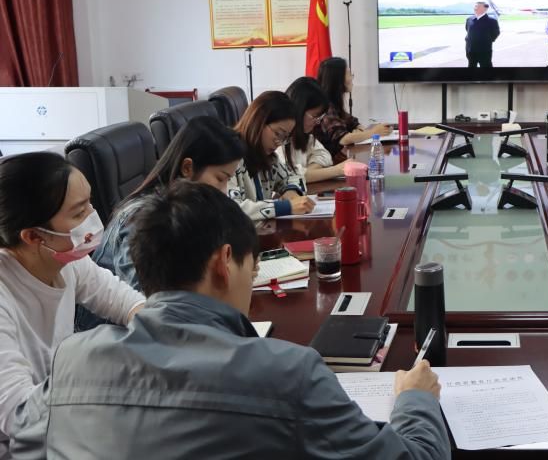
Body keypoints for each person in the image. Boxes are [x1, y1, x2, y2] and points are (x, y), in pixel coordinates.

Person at [37, 182, 450, 459]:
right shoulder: (287, 374)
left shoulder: (71, 360)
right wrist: (416, 399)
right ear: (224, 262)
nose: (251, 284)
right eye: (252, 271)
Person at [0, 152, 145, 458]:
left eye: (89, 203)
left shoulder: (65, 262)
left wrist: (165, 327)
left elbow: (125, 302)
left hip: (60, 418)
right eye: (79, 213)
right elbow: (18, 414)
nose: (93, 216)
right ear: (33, 236)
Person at [75, 116, 244, 331]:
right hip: (112, 334)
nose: (224, 190)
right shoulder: (141, 218)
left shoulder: (185, 207)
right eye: (220, 178)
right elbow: (149, 299)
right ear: (187, 168)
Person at [229, 91, 313, 220]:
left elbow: (293, 176)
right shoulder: (228, 156)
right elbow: (231, 209)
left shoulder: (268, 158)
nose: (279, 143)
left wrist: (290, 191)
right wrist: (285, 207)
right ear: (258, 121)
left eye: (285, 138)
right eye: (278, 134)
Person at [315, 57, 392, 161]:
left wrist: (359, 128)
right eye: (349, 74)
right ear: (338, 79)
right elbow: (343, 139)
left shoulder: (333, 102)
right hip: (328, 163)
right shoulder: (325, 106)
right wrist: (373, 132)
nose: (352, 78)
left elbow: (351, 121)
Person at [282, 76, 348, 187]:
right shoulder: (279, 139)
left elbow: (324, 156)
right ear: (300, 109)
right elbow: (288, 177)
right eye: (315, 116)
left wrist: (308, 172)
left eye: (320, 117)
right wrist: (338, 170)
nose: (318, 122)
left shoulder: (305, 136)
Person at [464, 1, 500, 69]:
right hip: (470, 50)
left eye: (478, 7)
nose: (475, 8)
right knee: (471, 66)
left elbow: (496, 33)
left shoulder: (492, 21)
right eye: (475, 6)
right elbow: (467, 30)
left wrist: (487, 41)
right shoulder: (469, 19)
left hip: (484, 51)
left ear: (485, 9)